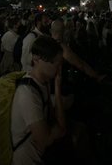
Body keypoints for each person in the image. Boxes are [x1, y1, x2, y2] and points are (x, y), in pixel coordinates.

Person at [10, 36, 67, 165]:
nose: (59, 69)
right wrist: (56, 131)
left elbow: (55, 122)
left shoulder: (44, 82)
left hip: (39, 156)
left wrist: (57, 87)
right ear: (37, 60)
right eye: (56, 64)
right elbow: (45, 139)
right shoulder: (28, 93)